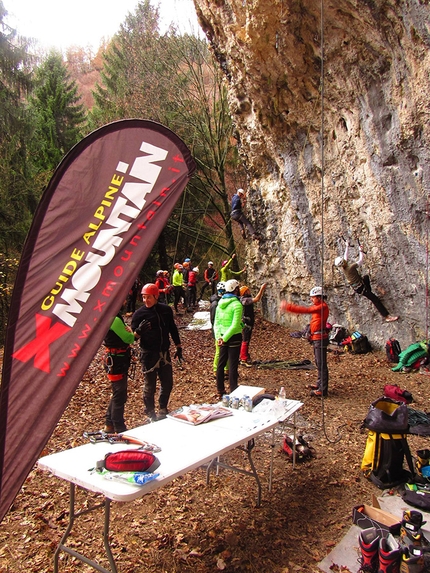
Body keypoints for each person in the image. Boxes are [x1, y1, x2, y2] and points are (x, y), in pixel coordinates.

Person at [131, 283, 183, 422]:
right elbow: (132, 338)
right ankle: (150, 412)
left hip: (164, 352)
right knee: (150, 386)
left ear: (156, 296)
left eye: (148, 297)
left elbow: (172, 328)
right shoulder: (139, 314)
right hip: (148, 354)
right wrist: (138, 332)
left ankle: (162, 408)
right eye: (143, 297)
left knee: (167, 383)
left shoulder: (165, 310)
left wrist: (178, 346)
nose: (145, 300)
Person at [280, 286, 329, 397]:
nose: (311, 300)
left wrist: (288, 307)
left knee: (321, 364)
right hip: (317, 338)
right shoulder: (319, 306)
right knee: (318, 362)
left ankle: (323, 390)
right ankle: (319, 384)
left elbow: (306, 310)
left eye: (313, 297)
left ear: (319, 297)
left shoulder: (322, 307)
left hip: (320, 339)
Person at [335, 240, 398, 322]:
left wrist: (347, 246)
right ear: (343, 262)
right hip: (361, 287)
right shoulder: (350, 267)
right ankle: (386, 316)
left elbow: (345, 256)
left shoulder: (344, 268)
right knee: (375, 299)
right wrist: (361, 251)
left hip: (358, 286)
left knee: (366, 277)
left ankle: (370, 292)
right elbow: (360, 261)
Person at [102, 303, 138, 433]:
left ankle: (109, 423)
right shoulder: (114, 319)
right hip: (116, 360)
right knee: (119, 394)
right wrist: (136, 334)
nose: (124, 302)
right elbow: (129, 338)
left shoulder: (111, 316)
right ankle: (119, 427)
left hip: (117, 358)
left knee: (118, 392)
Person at [213, 279, 243, 398]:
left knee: (221, 363)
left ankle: (220, 390)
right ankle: (233, 390)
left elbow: (216, 323)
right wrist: (225, 338)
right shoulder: (237, 304)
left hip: (221, 336)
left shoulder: (219, 303)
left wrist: (219, 337)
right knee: (232, 364)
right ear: (235, 289)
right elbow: (235, 324)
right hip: (233, 336)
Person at [239, 283, 267, 366]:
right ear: (245, 292)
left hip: (248, 321)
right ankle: (243, 359)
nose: (249, 291)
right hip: (246, 322)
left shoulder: (245, 299)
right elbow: (257, 299)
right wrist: (261, 289)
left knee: (246, 339)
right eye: (247, 290)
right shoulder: (244, 300)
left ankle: (245, 356)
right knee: (245, 339)